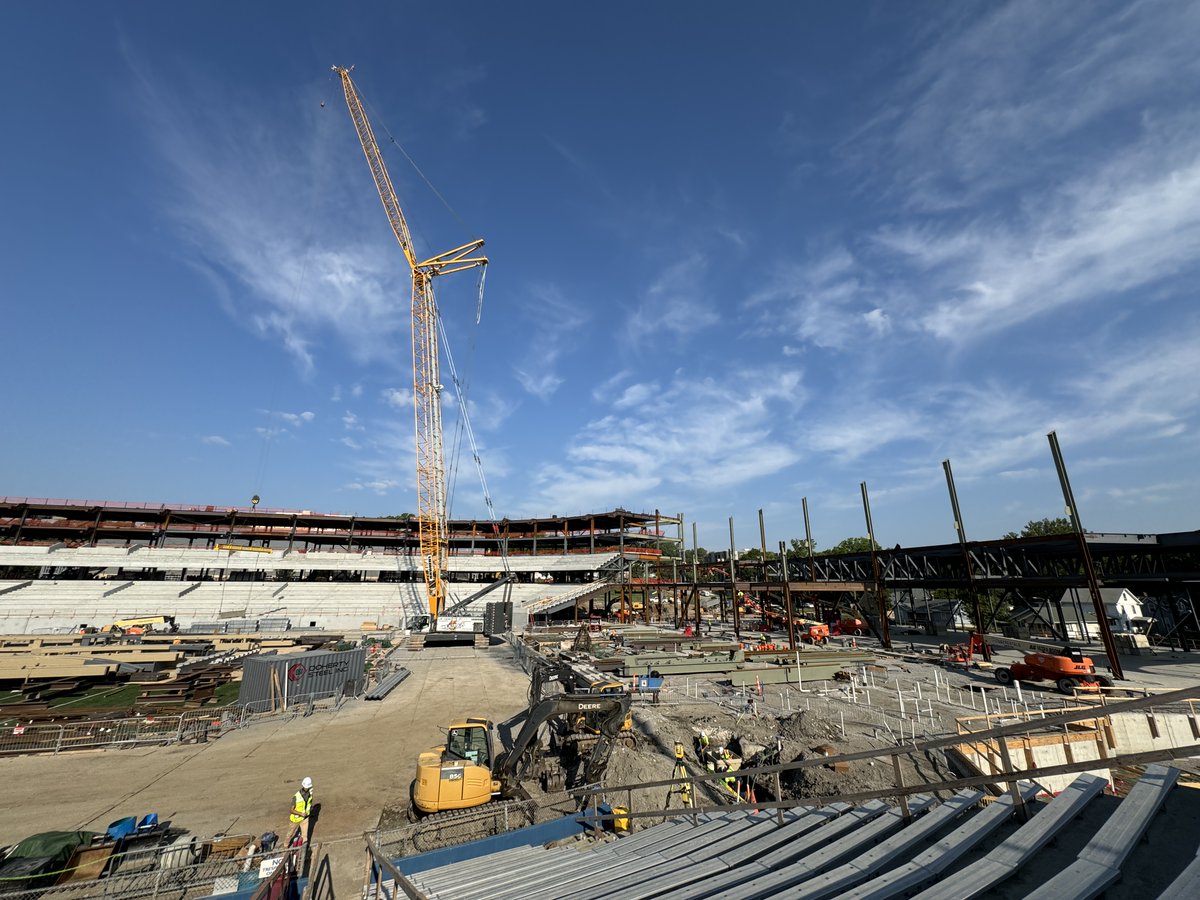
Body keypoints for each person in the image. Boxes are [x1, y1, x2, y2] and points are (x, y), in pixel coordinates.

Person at [290, 776, 315, 844]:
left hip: (305, 818)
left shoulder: (310, 794)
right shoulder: (296, 797)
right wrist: (301, 813)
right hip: (296, 819)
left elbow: (309, 803)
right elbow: (291, 810)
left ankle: (304, 847)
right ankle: (286, 846)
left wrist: (308, 811)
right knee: (290, 834)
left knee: (305, 836)